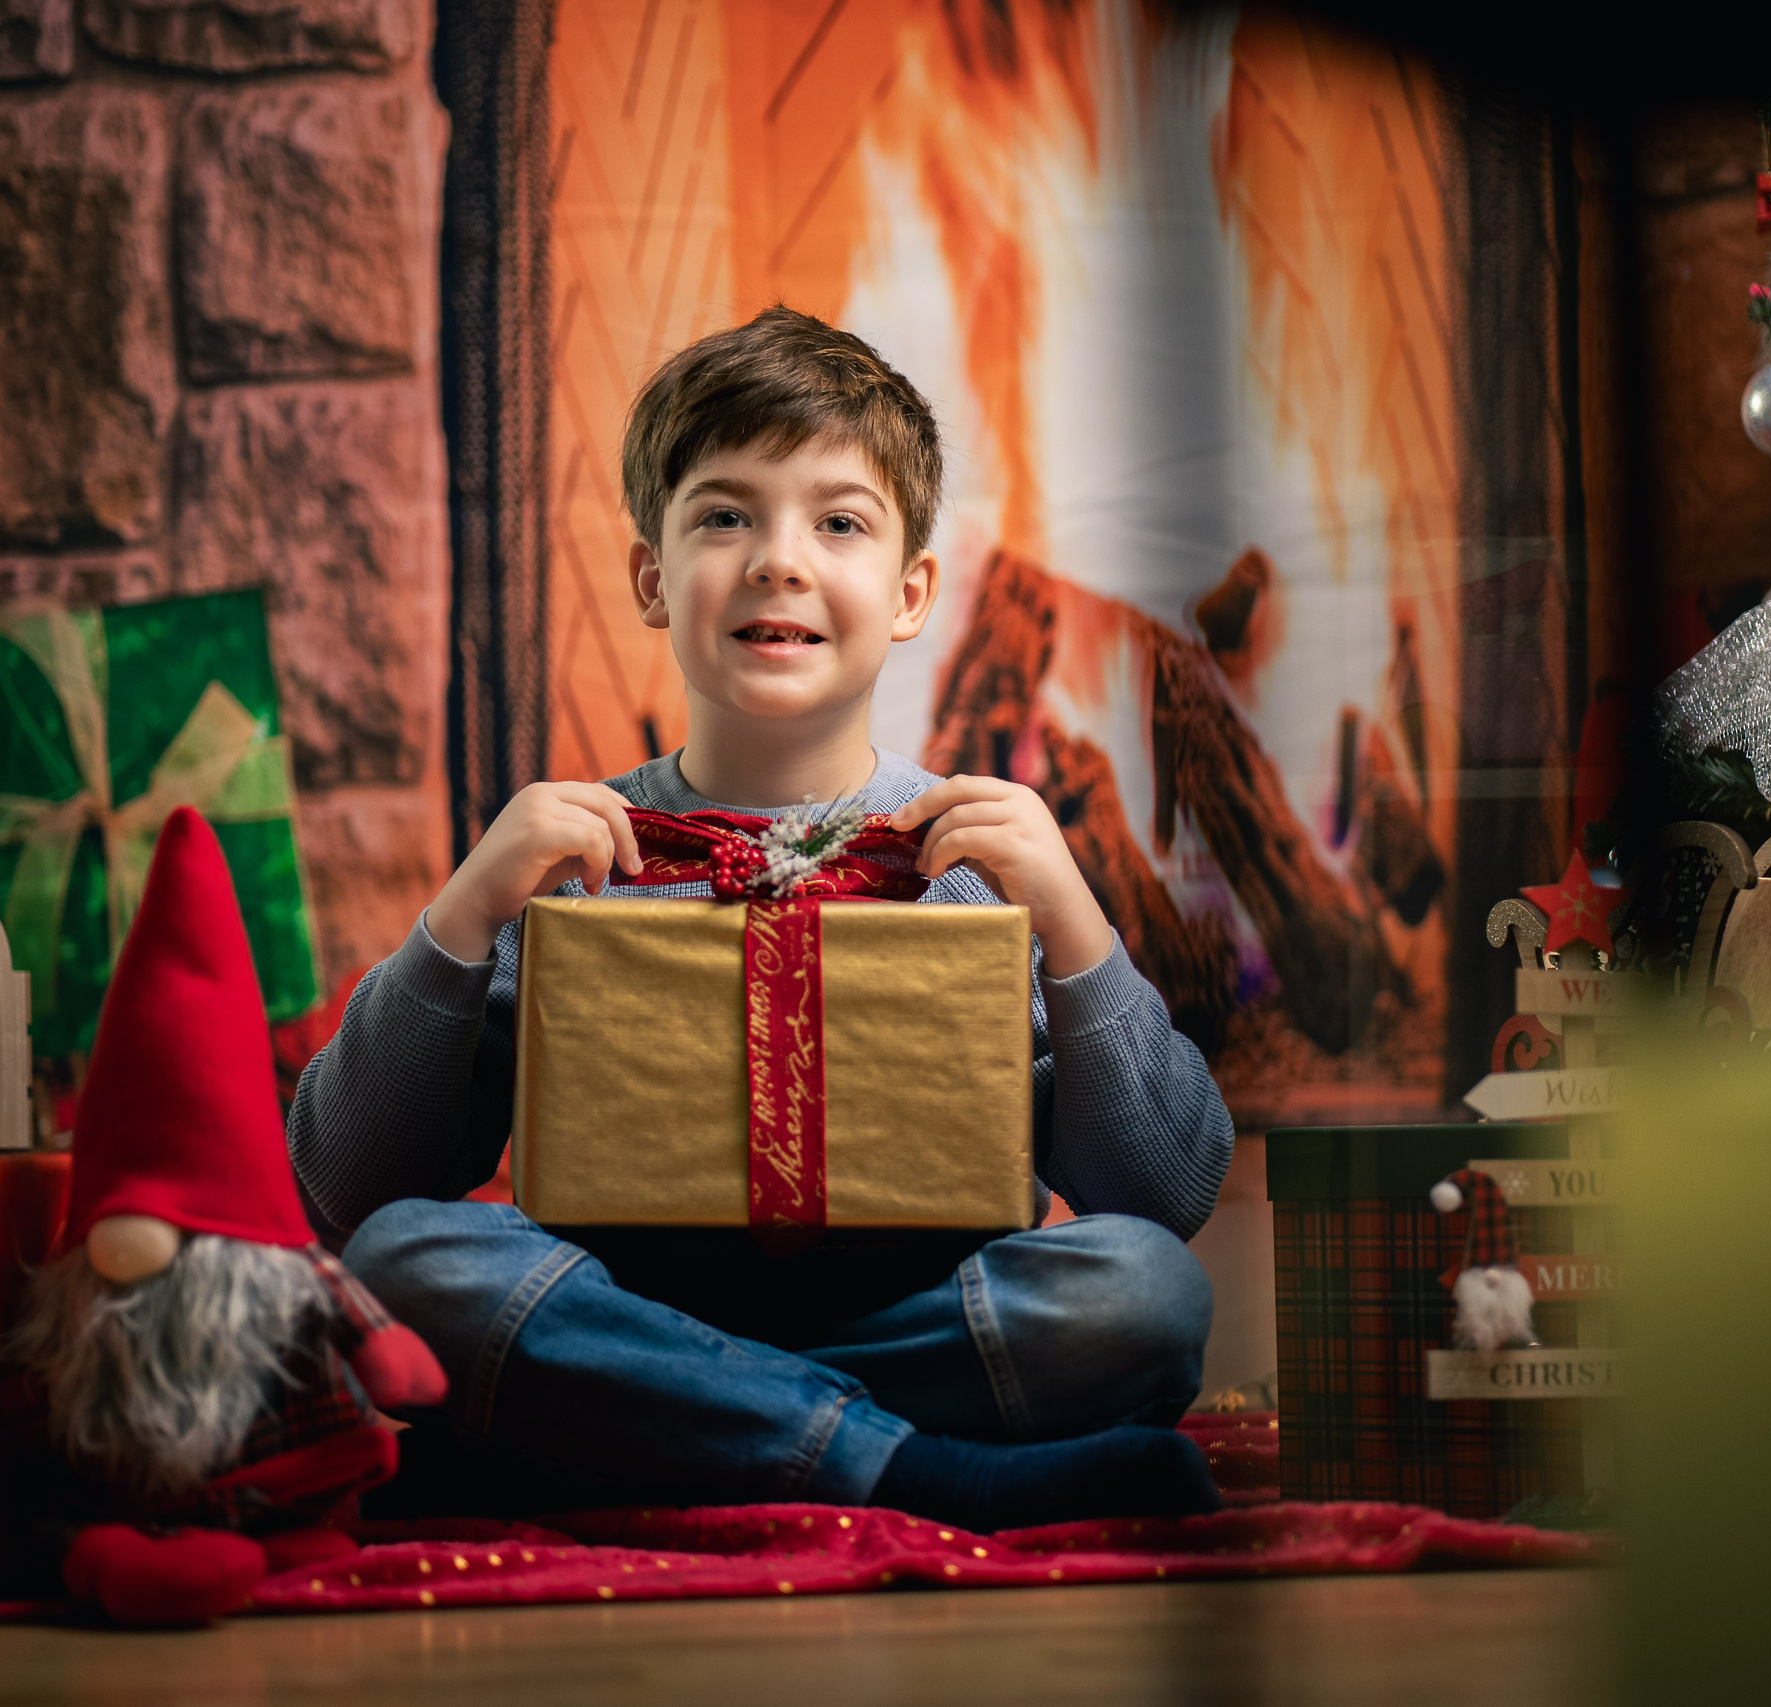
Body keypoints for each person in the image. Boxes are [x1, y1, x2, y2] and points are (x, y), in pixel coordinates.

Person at [291, 306, 1236, 1532]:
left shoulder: (973, 864)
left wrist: (1074, 921)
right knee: (405, 1265)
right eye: (725, 517)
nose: (779, 561)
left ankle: (646, 1439)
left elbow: (1164, 1190)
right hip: (621, 1306)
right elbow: (348, 1184)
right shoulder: (572, 858)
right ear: (652, 578)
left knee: (1146, 1293)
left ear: (910, 593)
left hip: (890, 1326)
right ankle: (913, 1473)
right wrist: (465, 911)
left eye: (838, 523)